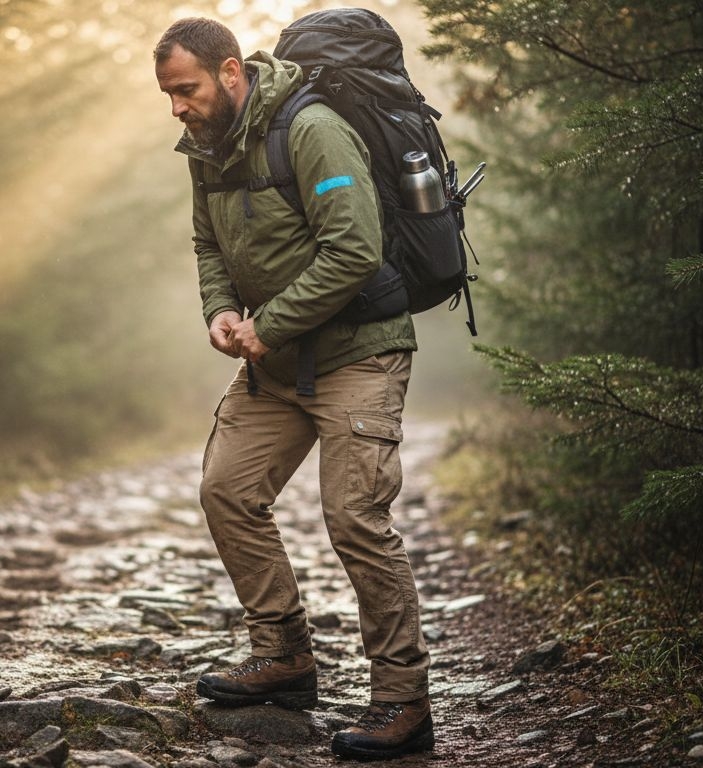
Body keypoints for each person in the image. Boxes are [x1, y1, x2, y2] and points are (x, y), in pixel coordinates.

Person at [153, 18, 434, 760]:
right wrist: (219, 308)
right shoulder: (205, 147)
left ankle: (403, 702)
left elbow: (354, 250)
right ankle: (284, 655)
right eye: (167, 95)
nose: (176, 107)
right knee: (227, 489)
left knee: (354, 519)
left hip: (359, 356)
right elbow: (207, 242)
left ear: (231, 71)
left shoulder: (312, 130)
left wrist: (266, 326)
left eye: (186, 90)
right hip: (276, 366)